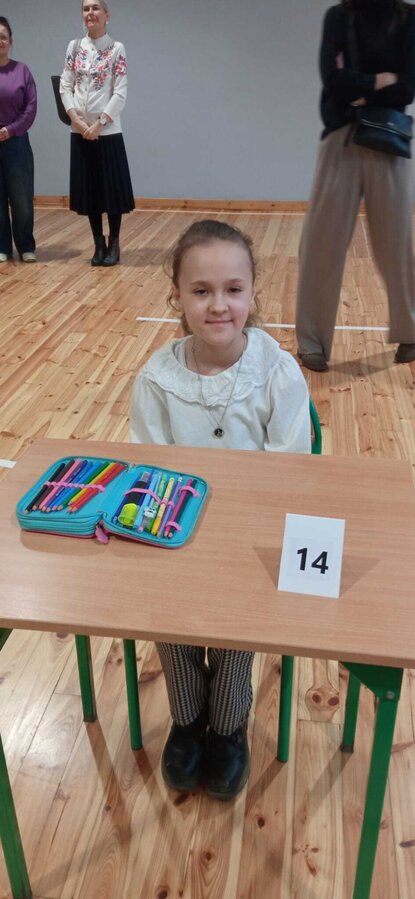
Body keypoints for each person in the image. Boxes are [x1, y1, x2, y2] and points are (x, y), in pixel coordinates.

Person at [130, 219, 311, 800]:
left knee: (235, 634)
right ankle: (187, 720)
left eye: (233, 289)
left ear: (253, 292)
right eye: (201, 290)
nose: (218, 305)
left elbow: (289, 470)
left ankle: (229, 726)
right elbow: (149, 468)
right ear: (177, 296)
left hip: (249, 539)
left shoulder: (277, 372)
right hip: (175, 537)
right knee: (170, 623)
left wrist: (241, 535)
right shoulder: (157, 378)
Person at [296, 0, 415, 371]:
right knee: (320, 244)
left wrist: (361, 88)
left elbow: (407, 90)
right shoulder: (339, 16)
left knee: (397, 244)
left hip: (388, 140)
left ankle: (411, 333)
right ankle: (312, 342)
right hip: (341, 138)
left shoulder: (409, 18)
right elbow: (333, 82)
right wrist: (381, 81)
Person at [60, 1, 134, 266]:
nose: (90, 13)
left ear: (106, 14)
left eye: (95, 8)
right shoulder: (74, 47)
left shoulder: (116, 49)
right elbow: (65, 86)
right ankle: (98, 244)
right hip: (80, 129)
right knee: (90, 190)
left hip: (107, 131)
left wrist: (100, 123)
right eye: (85, 9)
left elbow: (120, 92)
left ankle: (114, 242)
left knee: (111, 191)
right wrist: (76, 120)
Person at [0, 16, 37, 263]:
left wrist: (10, 130)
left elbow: (30, 107)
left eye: (3, 37)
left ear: (10, 41)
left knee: (21, 199)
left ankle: (25, 246)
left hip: (17, 143)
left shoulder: (22, 71)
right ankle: (2, 247)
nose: (0, 41)